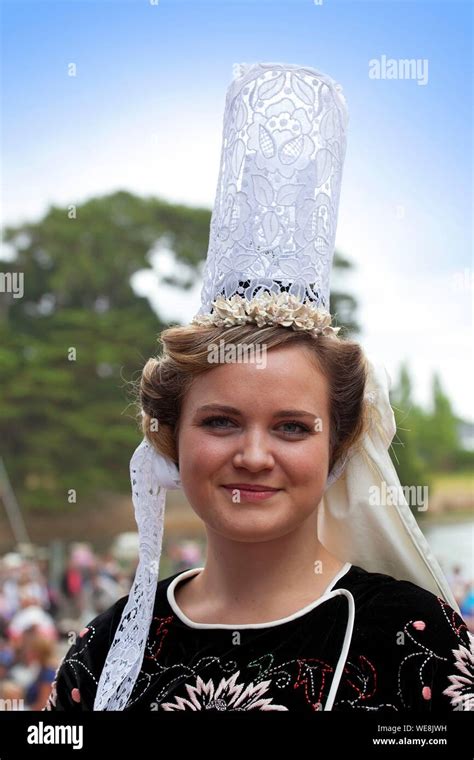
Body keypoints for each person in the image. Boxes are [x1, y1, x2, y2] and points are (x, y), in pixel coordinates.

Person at [43, 62, 472, 713]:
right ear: (169, 437)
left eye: (292, 427)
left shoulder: (420, 644)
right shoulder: (99, 657)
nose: (253, 454)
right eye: (219, 421)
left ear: (340, 444)